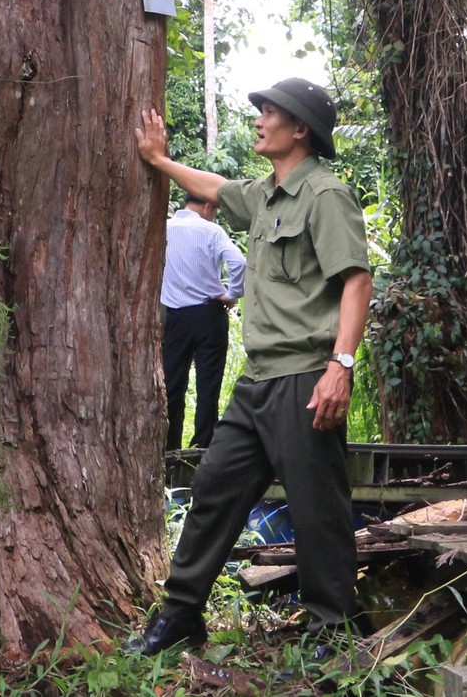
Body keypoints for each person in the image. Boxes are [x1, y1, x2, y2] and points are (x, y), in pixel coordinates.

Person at [127, 77, 375, 657]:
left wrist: (340, 365)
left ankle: (331, 631)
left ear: (301, 129)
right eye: (260, 110)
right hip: (258, 380)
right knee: (214, 489)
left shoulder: (325, 195)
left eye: (270, 112)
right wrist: (159, 160)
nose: (259, 119)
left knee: (316, 509)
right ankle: (182, 616)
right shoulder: (264, 195)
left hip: (305, 378)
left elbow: (356, 281)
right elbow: (212, 186)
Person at [161, 193, 245, 451]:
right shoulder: (212, 230)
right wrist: (232, 294)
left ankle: (169, 447)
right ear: (208, 206)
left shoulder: (164, 228)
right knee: (209, 384)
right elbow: (239, 262)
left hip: (176, 316)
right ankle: (203, 445)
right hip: (210, 314)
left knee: (172, 384)